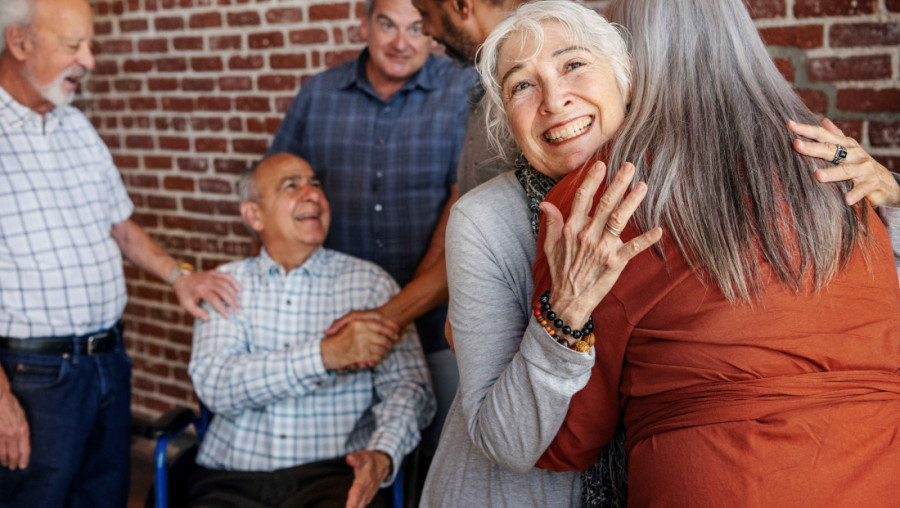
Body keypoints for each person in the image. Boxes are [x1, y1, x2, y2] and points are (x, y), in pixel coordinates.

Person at [526, 0, 900, 506]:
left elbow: (569, 441)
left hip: (719, 476)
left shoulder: (601, 195)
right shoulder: (837, 159)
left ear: (624, 59)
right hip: (876, 470)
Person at [420, 3, 664, 506]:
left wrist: (875, 191)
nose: (553, 99)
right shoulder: (482, 221)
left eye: (573, 64)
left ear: (626, 79)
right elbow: (504, 442)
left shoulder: (680, 192)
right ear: (506, 119)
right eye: (521, 85)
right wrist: (566, 307)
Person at [0, 0, 240, 505]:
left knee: (103, 497)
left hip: (108, 361)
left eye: (89, 45)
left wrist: (179, 275)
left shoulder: (77, 128)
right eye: (73, 46)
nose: (89, 60)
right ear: (19, 44)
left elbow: (120, 226)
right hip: (31, 378)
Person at [268, 0, 474, 451]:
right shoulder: (317, 94)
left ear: (434, 29)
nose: (401, 42)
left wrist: (400, 309)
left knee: (440, 454)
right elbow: (274, 193)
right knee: (349, 456)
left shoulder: (464, 89)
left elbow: (466, 203)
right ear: (364, 23)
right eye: (387, 25)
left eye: (416, 28)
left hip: (440, 322)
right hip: (336, 322)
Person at [187, 153, 435, 508]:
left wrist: (382, 453)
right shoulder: (225, 285)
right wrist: (325, 355)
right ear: (253, 215)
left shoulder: (370, 285)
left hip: (334, 475)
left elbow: (410, 390)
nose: (312, 194)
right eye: (292, 186)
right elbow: (217, 385)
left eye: (315, 184)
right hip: (232, 475)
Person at [411, 0, 523, 195]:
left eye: (425, 14)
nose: (425, 30)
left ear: (461, 5)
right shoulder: (488, 76)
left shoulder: (531, 87)